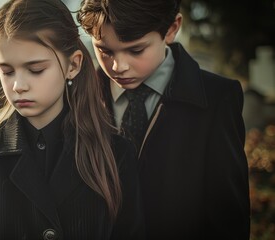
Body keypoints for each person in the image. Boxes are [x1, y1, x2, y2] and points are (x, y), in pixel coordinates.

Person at [0, 0, 144, 239]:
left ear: (73, 65)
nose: (18, 86)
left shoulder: (117, 155)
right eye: (7, 71)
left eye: (35, 69)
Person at [77, 0, 250, 239]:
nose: (119, 66)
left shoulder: (217, 98)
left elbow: (227, 216)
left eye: (136, 50)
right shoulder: (76, 100)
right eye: (105, 51)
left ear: (171, 28)